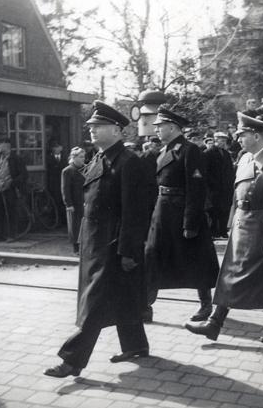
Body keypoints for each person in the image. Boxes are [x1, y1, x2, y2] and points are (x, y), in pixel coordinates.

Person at [44, 101, 151, 378]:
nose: (92, 130)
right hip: (94, 242)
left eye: (99, 126)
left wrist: (128, 250)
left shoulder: (128, 162)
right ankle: (136, 345)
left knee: (93, 303)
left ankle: (72, 360)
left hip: (112, 245)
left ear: (116, 130)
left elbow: (134, 211)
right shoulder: (100, 158)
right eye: (91, 126)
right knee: (124, 295)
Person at [185, 112, 263, 343]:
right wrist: (231, 222)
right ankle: (214, 324)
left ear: (257, 136)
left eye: (242, 134)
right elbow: (237, 195)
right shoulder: (245, 159)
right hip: (242, 226)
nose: (238, 139)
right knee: (230, 274)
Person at [144, 106, 219, 323]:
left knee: (196, 259)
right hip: (163, 212)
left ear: (172, 127)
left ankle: (206, 305)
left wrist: (190, 222)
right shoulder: (163, 151)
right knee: (152, 256)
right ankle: (145, 306)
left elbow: (196, 189)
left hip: (182, 212)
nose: (156, 130)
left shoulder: (189, 150)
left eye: (160, 126)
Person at [0, 137, 28, 242]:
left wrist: (11, 183)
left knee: (11, 212)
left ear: (6, 145)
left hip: (11, 189)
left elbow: (24, 175)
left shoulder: (16, 158)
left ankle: (12, 236)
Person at [203, 132, 235, 239]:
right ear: (215, 140)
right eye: (221, 140)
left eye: (224, 140)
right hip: (213, 188)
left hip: (225, 188)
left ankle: (222, 230)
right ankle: (213, 232)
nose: (223, 142)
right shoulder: (208, 153)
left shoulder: (226, 154)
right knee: (213, 211)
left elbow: (230, 171)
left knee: (224, 210)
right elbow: (205, 172)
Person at [61, 147, 85, 254]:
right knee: (75, 226)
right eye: (80, 157)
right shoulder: (67, 171)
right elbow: (65, 188)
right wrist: (68, 204)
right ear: (73, 158)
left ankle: (84, 247)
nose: (83, 159)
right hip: (74, 203)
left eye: (83, 157)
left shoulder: (85, 169)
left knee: (84, 225)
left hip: (84, 201)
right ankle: (76, 248)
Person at [46, 141, 67, 225]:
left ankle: (64, 221)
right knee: (55, 202)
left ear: (61, 148)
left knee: (64, 201)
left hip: (63, 182)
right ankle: (57, 221)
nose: (55, 149)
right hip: (54, 184)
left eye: (57, 147)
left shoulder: (65, 158)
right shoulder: (48, 158)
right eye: (54, 147)